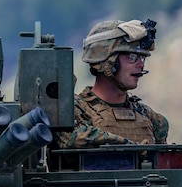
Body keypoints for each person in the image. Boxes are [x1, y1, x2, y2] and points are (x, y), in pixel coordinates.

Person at [55, 19, 169, 150]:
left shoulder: (152, 119)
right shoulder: (71, 110)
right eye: (132, 57)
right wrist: (135, 149)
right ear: (107, 60)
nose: (141, 64)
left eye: (142, 58)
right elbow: (74, 140)